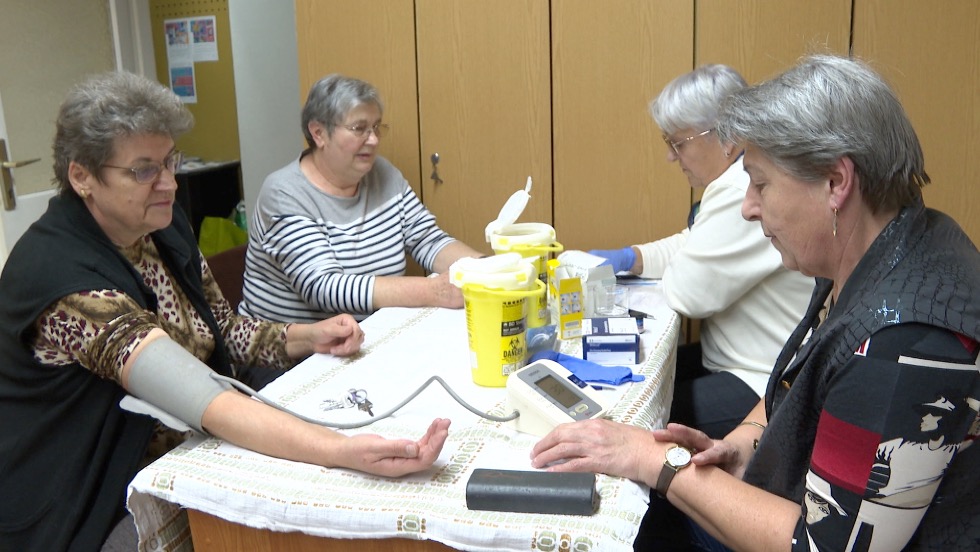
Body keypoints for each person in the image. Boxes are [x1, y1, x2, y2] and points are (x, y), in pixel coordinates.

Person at [531, 54, 980, 551]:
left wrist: (656, 461)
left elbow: (820, 545)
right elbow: (800, 376)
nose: (748, 206)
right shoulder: (881, 245)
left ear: (835, 182)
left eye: (760, 183)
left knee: (640, 517)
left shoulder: (901, 345)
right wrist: (744, 443)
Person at [0, 72, 451, 552]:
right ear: (82, 176)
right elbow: (200, 398)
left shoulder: (160, 224)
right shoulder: (63, 279)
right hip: (87, 497)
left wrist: (304, 336)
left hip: (178, 450)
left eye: (170, 161)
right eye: (144, 170)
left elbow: (222, 330)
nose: (169, 184)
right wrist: (340, 450)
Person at [588, 64, 813, 438]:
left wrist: (662, 264)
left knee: (631, 417)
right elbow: (692, 241)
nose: (673, 158)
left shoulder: (740, 188)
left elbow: (688, 294)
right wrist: (633, 256)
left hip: (763, 381)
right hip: (750, 365)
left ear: (725, 134)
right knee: (642, 379)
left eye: (679, 143)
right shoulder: (740, 177)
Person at [239, 74, 484, 323]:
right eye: (359, 129)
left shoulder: (383, 173)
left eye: (376, 127)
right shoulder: (284, 193)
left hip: (369, 337)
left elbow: (427, 240)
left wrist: (490, 270)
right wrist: (435, 291)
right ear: (319, 133)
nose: (374, 139)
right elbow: (324, 287)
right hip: (296, 355)